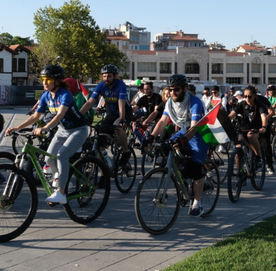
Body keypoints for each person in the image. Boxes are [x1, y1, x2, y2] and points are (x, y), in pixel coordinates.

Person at [6, 66, 88, 204]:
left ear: (57, 81)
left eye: (48, 80)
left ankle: (61, 193)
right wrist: (17, 127)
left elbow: (60, 114)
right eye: (43, 80)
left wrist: (45, 128)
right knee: (49, 158)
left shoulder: (65, 94)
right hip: (63, 131)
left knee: (62, 155)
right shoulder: (46, 95)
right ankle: (62, 178)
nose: (44, 83)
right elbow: (36, 116)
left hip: (78, 130)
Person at [147, 74, 209, 217]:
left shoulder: (195, 103)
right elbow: (163, 121)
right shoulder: (169, 102)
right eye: (170, 90)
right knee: (166, 148)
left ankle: (198, 204)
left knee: (195, 168)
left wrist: (182, 141)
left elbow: (194, 128)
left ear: (185, 89)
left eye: (176, 90)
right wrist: (151, 137)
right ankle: (183, 177)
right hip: (183, 132)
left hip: (198, 134)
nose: (173, 93)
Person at [80, 64, 132, 167]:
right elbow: (90, 102)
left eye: (109, 76)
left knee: (117, 128)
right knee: (100, 142)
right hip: (111, 114)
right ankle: (104, 175)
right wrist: (78, 114)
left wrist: (122, 119)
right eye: (104, 76)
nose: (106, 79)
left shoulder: (120, 85)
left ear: (115, 76)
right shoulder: (101, 85)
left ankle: (126, 151)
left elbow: (121, 104)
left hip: (124, 112)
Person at [227, 85, 268, 173]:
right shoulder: (242, 104)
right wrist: (224, 120)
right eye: (245, 96)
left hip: (255, 130)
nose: (247, 98)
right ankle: (240, 172)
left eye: (249, 96)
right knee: (237, 151)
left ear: (255, 96)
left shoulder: (259, 105)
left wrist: (263, 127)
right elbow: (231, 115)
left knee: (251, 136)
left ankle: (258, 157)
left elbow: (264, 117)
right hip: (243, 130)